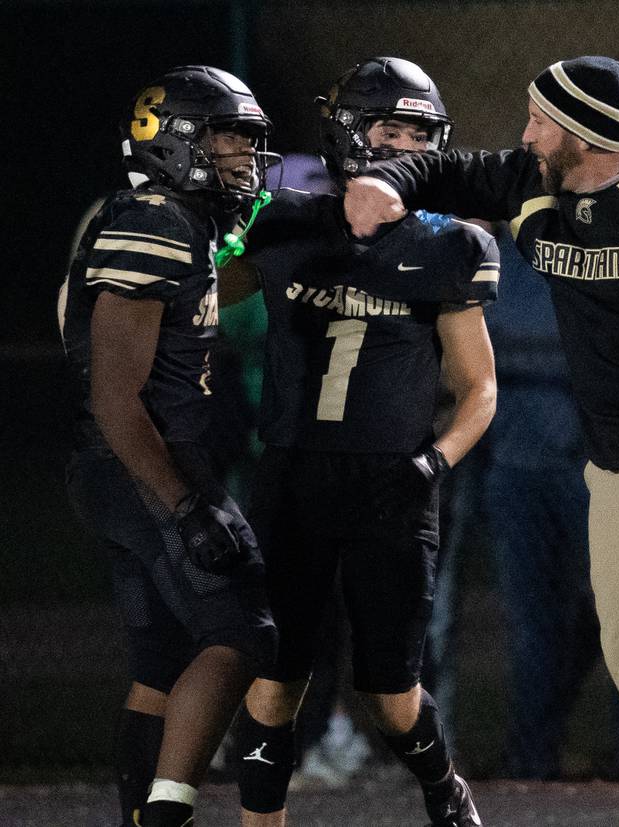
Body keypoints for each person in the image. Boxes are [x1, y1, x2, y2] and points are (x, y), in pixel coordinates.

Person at [343, 55, 619, 827]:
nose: (525, 134)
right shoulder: (535, 181)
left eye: (540, 120)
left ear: (583, 133)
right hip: (613, 456)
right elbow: (449, 169)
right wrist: (390, 184)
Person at [223, 57, 497, 827]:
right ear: (350, 134)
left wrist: (433, 462)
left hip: (390, 483)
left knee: (392, 692)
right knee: (275, 678)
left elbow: (480, 388)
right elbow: (195, 299)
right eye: (391, 130)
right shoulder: (281, 224)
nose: (407, 148)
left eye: (421, 135)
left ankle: (445, 787)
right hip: (292, 475)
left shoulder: (448, 245)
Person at [59, 65, 277, 827]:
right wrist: (185, 502)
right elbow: (116, 396)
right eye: (229, 137)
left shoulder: (173, 220)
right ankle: (165, 816)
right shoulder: (152, 221)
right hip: (144, 461)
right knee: (243, 630)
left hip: (126, 465)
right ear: (177, 139)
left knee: (159, 664)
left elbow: (216, 293)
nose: (244, 155)